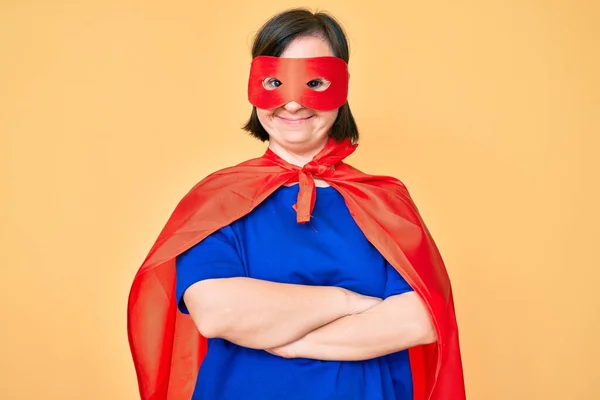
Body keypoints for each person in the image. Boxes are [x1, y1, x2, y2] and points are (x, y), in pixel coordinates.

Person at [127, 8, 466, 400]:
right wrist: (349, 302)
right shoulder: (220, 199)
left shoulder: (383, 200)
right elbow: (219, 313)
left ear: (342, 89)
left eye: (314, 82)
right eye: (275, 82)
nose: (291, 105)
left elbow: (418, 321)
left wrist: (288, 342)